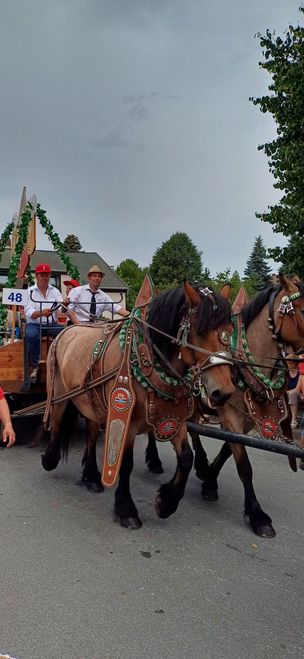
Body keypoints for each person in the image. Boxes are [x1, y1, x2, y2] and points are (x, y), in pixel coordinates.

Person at [24, 263, 63, 379]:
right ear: (37, 276)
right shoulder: (29, 291)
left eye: (47, 275)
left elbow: (61, 307)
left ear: (50, 275)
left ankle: (60, 363)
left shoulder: (55, 291)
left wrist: (65, 304)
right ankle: (37, 365)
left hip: (51, 324)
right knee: (31, 335)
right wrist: (42, 312)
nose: (45, 278)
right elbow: (29, 312)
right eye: (42, 275)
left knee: (65, 333)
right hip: (35, 324)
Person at [286, 351, 304, 428]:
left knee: (292, 394)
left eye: (290, 363)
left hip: (299, 394)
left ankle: (294, 419)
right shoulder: (286, 372)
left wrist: (287, 392)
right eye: (287, 363)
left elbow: (297, 389)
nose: (288, 365)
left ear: (295, 363)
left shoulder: (300, 372)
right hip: (287, 393)